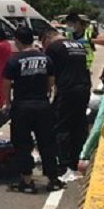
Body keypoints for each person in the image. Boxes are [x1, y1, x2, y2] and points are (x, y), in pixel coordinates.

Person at [1, 26, 63, 193]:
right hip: (42, 105)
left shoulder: (14, 60)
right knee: (47, 142)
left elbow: (6, 83)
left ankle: (27, 181)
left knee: (22, 144)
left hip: (22, 106)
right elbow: (51, 81)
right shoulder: (45, 59)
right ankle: (53, 179)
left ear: (18, 41)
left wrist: (7, 102)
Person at [41, 23, 92, 174]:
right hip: (84, 87)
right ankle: (78, 157)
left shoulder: (54, 48)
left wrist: (47, 92)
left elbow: (49, 73)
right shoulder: (78, 45)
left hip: (67, 89)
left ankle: (63, 162)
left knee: (61, 125)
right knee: (79, 123)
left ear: (47, 39)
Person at [0, 28, 13, 108]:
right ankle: (6, 102)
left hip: (0, 68)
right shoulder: (7, 43)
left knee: (0, 88)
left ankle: (2, 104)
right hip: (7, 67)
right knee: (7, 87)